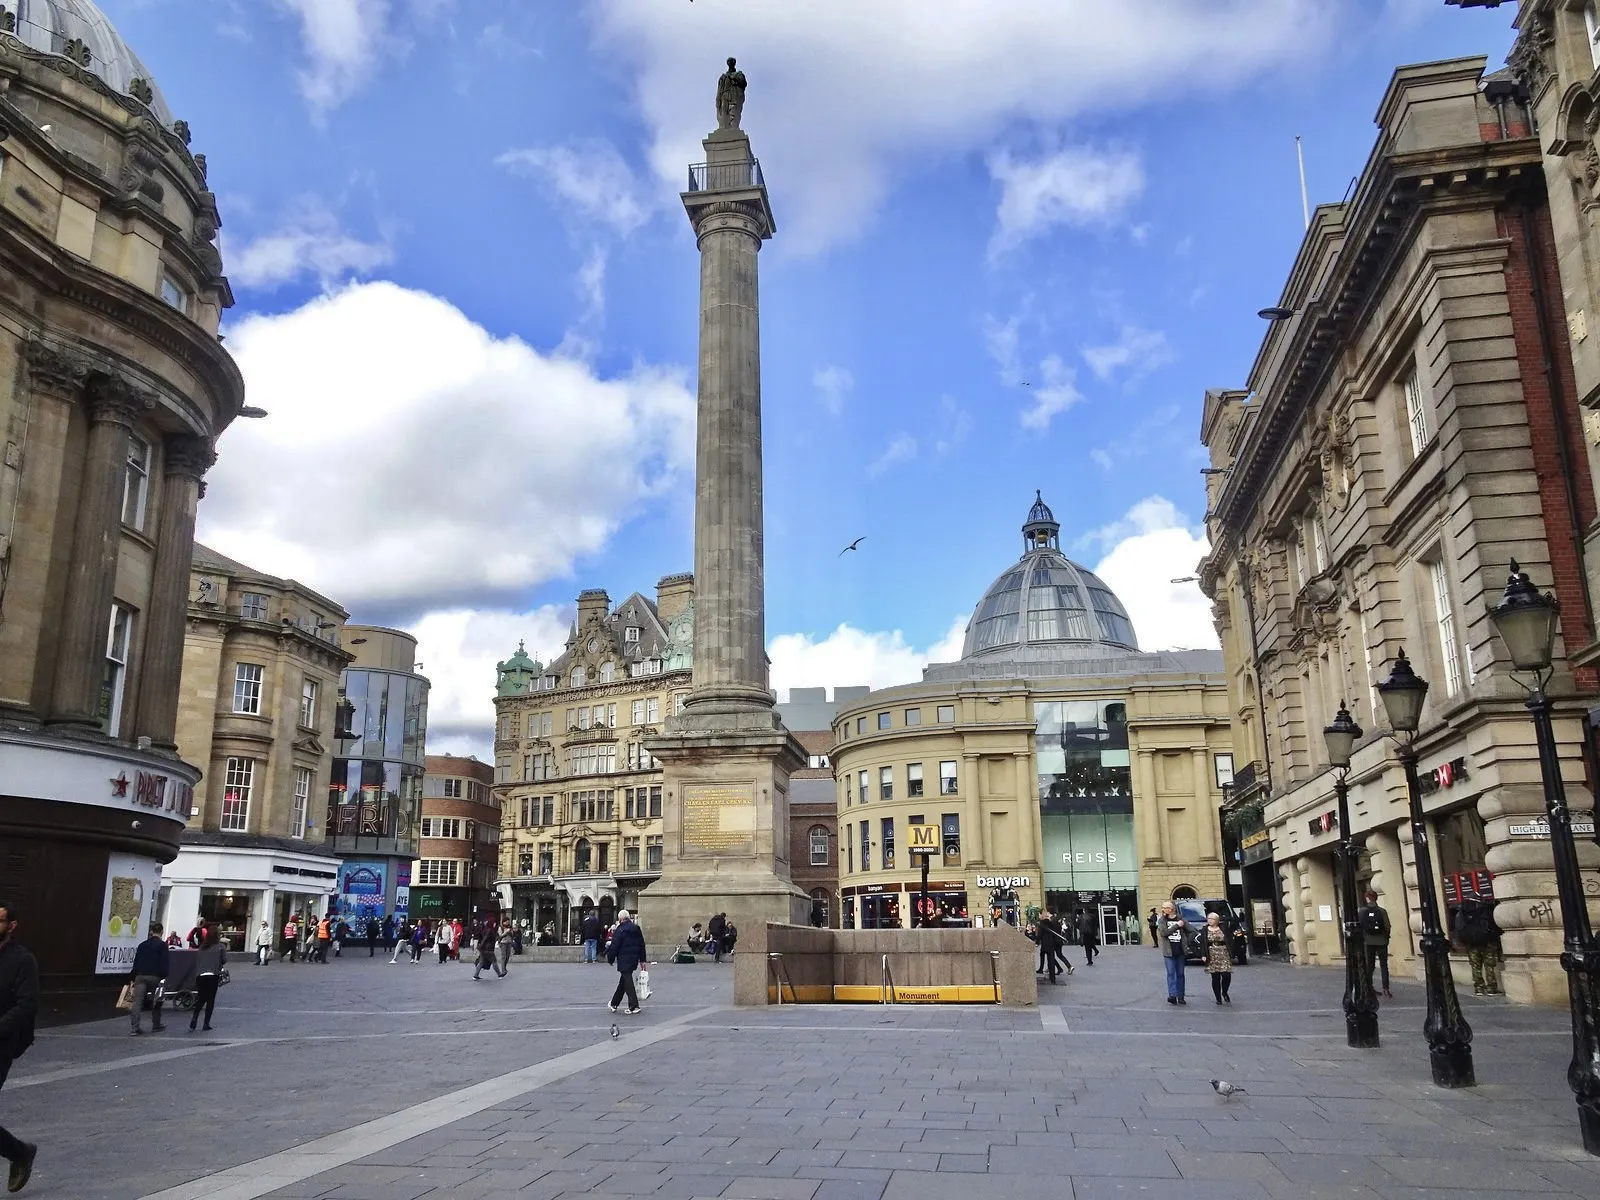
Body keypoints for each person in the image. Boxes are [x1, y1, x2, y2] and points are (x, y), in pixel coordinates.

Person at [0, 902, 40, 1193]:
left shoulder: (22, 961)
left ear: (11, 925)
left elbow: (26, 1005)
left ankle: (19, 1153)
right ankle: (19, 1152)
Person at [1454, 890, 1504, 996]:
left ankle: (1479, 987)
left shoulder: (1463, 911)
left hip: (1471, 944)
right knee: (1489, 966)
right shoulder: (1485, 909)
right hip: (1487, 942)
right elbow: (1493, 925)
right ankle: (1491, 988)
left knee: (1475, 966)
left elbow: (1458, 927)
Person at [127, 922, 170, 1035]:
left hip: (140, 976)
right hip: (154, 976)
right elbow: (164, 962)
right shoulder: (162, 945)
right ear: (162, 932)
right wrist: (164, 975)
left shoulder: (142, 945)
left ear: (151, 931)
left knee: (137, 1002)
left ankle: (134, 1028)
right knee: (157, 1000)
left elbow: (136, 961)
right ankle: (156, 1024)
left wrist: (133, 976)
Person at [605, 911, 647, 1015]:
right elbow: (642, 944)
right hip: (634, 958)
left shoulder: (620, 930)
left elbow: (615, 946)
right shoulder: (636, 928)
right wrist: (642, 960)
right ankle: (614, 1003)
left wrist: (610, 959)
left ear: (620, 919)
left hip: (624, 958)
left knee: (627, 981)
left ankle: (634, 1006)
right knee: (623, 981)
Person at [1356, 890, 1393, 998]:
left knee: (1369, 965)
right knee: (1384, 965)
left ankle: (1369, 987)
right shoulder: (1382, 911)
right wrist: (1386, 936)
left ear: (1367, 898)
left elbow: (1359, 926)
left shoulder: (1362, 911)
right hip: (1382, 941)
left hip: (1368, 942)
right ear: (1376, 898)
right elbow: (1387, 926)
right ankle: (1385, 989)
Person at [189, 929, 226, 1032]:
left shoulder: (202, 948)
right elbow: (224, 960)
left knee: (201, 998)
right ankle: (206, 1023)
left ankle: (195, 1017)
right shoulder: (220, 947)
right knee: (210, 1000)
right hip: (213, 975)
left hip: (200, 975)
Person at [1156, 901, 1187, 1005]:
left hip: (1180, 950)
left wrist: (1186, 942)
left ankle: (1181, 996)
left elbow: (1192, 931)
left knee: (1180, 974)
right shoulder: (1162, 920)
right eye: (1163, 907)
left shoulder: (1180, 918)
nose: (1163, 909)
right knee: (1170, 973)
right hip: (1168, 951)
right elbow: (1164, 933)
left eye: (1165, 907)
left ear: (1171, 909)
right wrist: (1176, 926)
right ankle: (1172, 995)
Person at [1203, 911, 1233, 1004]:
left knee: (1226, 975)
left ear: (1217, 920)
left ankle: (1224, 992)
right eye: (1208, 919)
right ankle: (1218, 998)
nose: (1210, 921)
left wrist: (1231, 950)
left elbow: (1230, 938)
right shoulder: (1205, 929)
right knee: (1215, 977)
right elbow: (1203, 943)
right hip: (1211, 953)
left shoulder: (1223, 927)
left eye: (1212, 919)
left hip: (1223, 952)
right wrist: (1203, 954)